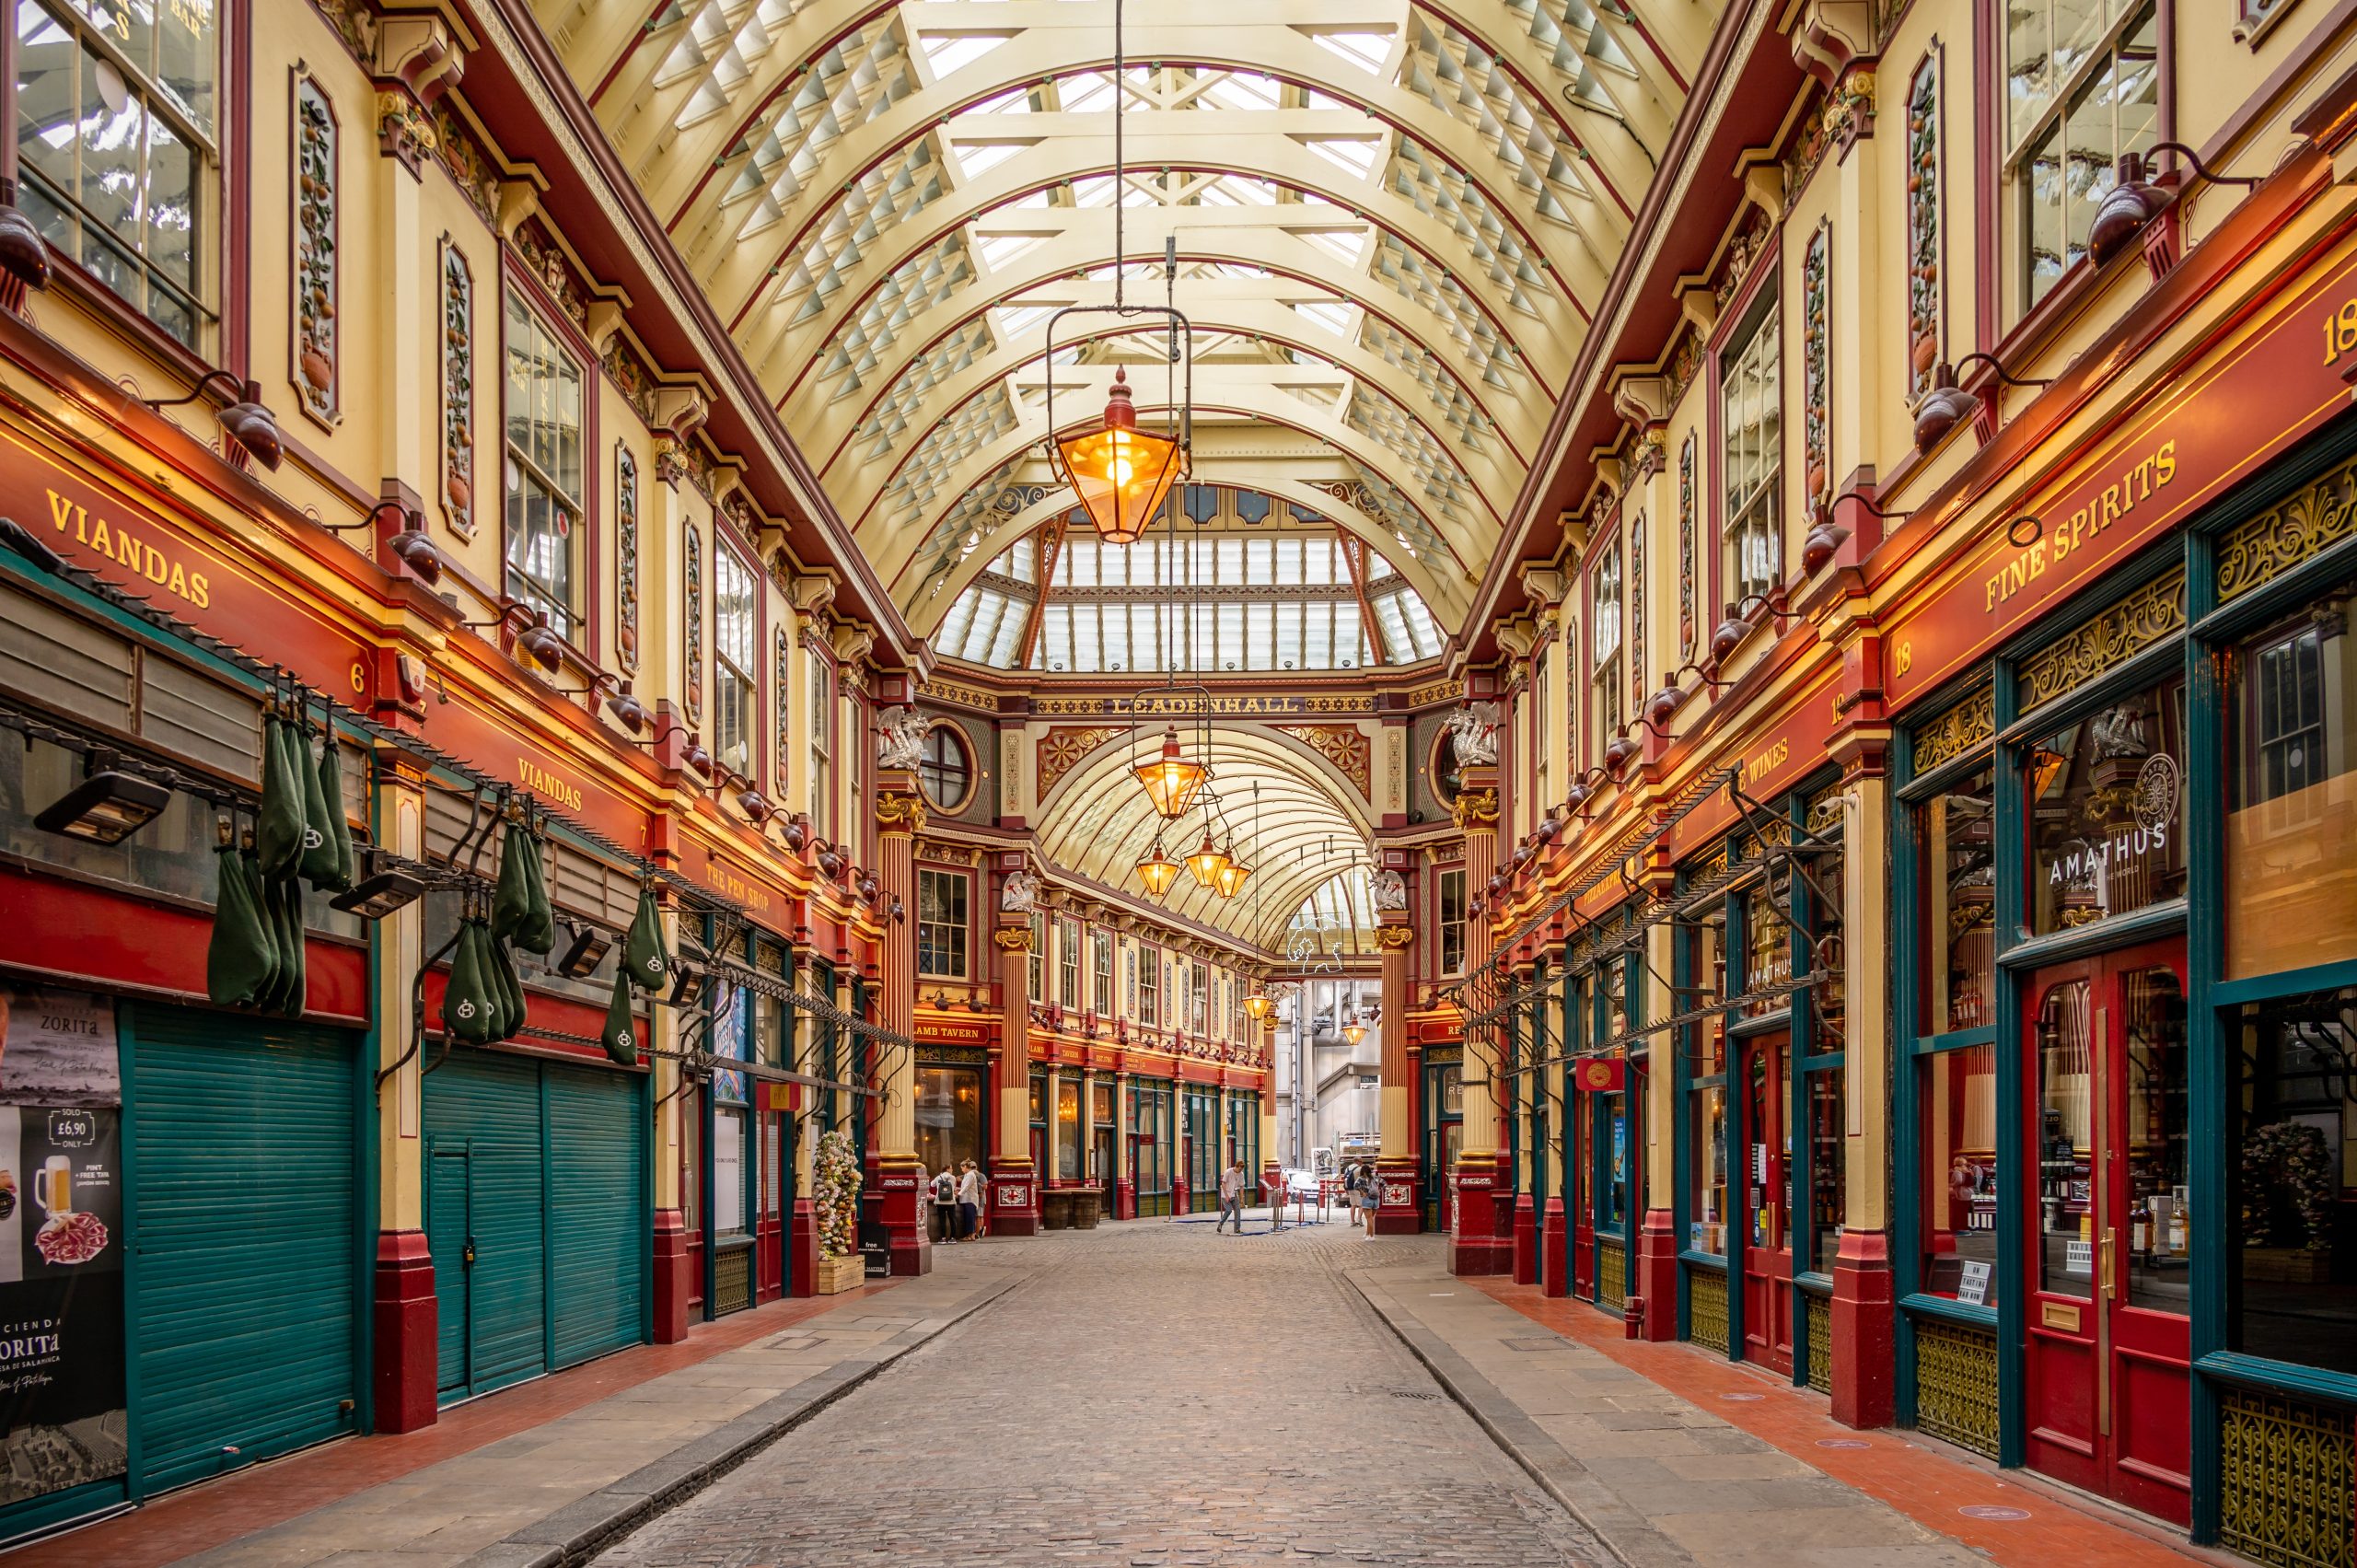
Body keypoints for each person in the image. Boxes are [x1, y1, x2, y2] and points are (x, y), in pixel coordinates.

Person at [1215, 1159, 1246, 1234]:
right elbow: (1223, 1183)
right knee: (1228, 1210)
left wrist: (1242, 1199)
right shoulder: (1228, 1172)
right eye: (1239, 1169)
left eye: (1241, 1169)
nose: (1240, 1170)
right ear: (1236, 1166)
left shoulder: (1241, 1174)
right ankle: (1220, 1223)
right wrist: (1226, 1196)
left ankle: (1237, 1229)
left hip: (1234, 1195)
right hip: (1225, 1195)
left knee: (1238, 1211)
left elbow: (1242, 1187)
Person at [957, 1159, 982, 1241]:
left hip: (970, 1200)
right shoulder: (967, 1175)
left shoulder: (971, 1175)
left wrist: (959, 1193)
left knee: (970, 1218)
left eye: (962, 1168)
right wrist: (958, 1189)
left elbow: (967, 1186)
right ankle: (970, 1235)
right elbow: (965, 1187)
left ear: (965, 1167)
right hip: (966, 1199)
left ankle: (971, 1235)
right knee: (968, 1218)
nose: (961, 1170)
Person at [934, 1165, 958, 1243]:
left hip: (940, 1202)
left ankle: (943, 1238)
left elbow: (931, 1184)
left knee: (942, 1220)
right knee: (952, 1220)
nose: (952, 1170)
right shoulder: (953, 1177)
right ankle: (952, 1238)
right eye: (951, 1168)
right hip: (951, 1201)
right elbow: (954, 1187)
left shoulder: (938, 1177)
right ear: (947, 1169)